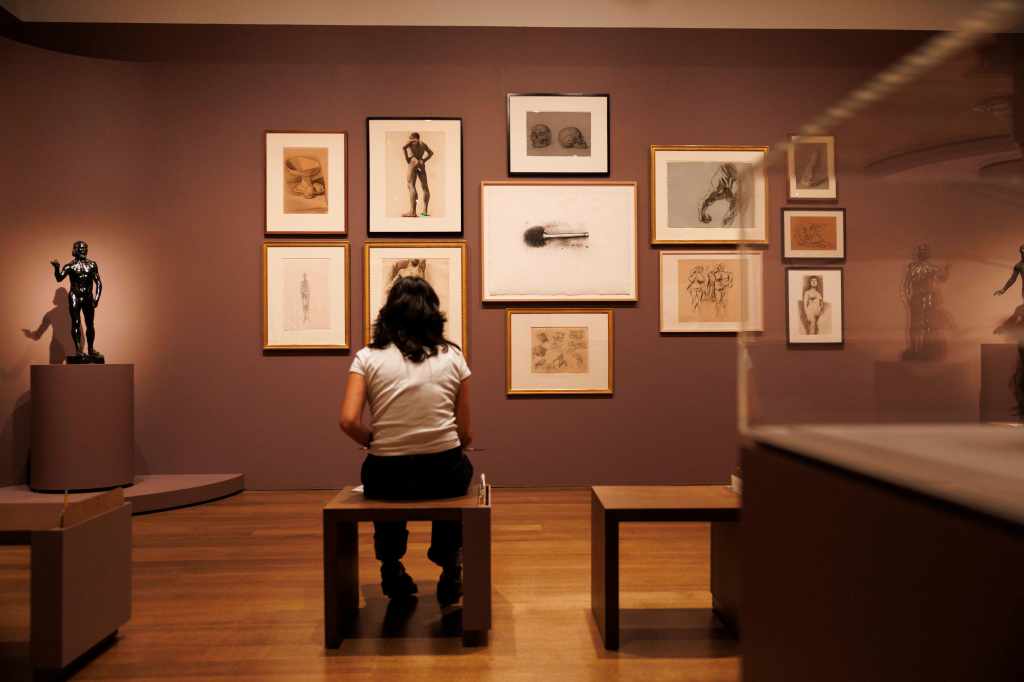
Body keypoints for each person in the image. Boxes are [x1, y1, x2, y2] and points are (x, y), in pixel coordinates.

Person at [338, 276, 473, 606]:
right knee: (458, 475)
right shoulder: (453, 357)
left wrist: (374, 440)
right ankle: (450, 565)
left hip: (388, 473)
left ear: (388, 314)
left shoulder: (367, 357)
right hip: (443, 471)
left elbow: (348, 420)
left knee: (383, 482)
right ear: (433, 314)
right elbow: (466, 433)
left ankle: (391, 566)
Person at [50, 240, 103, 363]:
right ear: (74, 250)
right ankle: (78, 350)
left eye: (85, 248)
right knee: (76, 322)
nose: (83, 250)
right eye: (80, 248)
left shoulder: (92, 265)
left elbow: (99, 283)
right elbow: (59, 278)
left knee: (90, 324)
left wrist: (97, 298)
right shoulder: (70, 266)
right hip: (75, 295)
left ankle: (90, 349)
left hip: (88, 296)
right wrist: (57, 268)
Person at [402, 132, 434, 218]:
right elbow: (431, 153)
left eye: (410, 137)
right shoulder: (423, 143)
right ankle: (424, 211)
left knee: (411, 185)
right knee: (425, 187)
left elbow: (404, 148)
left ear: (413, 137)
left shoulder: (412, 141)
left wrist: (407, 157)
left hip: (413, 162)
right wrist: (423, 160)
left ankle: (412, 212)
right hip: (421, 163)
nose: (409, 139)